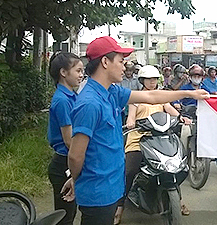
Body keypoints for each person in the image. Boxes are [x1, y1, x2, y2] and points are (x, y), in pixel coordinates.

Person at [61, 36, 208, 225]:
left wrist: (189, 93)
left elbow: (151, 96)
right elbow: (75, 155)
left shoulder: (111, 92)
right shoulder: (89, 103)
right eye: (121, 62)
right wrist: (75, 179)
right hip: (98, 193)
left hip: (111, 187)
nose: (124, 67)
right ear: (105, 62)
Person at [114, 65, 192, 224]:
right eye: (149, 79)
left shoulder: (160, 96)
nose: (152, 82)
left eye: (155, 79)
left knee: (174, 166)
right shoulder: (136, 97)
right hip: (139, 138)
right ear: (142, 80)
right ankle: (119, 208)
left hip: (160, 138)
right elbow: (131, 116)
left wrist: (181, 117)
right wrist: (130, 122)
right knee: (130, 171)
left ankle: (179, 200)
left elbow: (170, 109)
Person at [47, 52, 84, 225]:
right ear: (63, 72)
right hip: (64, 163)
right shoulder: (62, 100)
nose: (81, 75)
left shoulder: (71, 96)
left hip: (67, 161)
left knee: (69, 214)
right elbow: (69, 140)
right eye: (77, 70)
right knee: (64, 217)